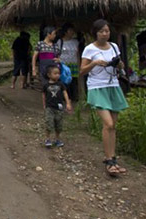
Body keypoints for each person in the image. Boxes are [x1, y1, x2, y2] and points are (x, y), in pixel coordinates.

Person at [80, 19, 129, 177]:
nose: (104, 34)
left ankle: (112, 159)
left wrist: (118, 64)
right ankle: (109, 161)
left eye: (107, 31)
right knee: (107, 124)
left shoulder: (114, 46)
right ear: (95, 33)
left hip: (113, 86)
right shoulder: (89, 49)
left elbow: (121, 66)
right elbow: (82, 71)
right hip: (97, 87)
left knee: (113, 125)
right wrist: (94, 63)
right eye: (101, 31)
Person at [42, 63, 72, 148]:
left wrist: (68, 103)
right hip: (49, 107)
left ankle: (57, 139)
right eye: (55, 73)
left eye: (58, 73)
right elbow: (43, 95)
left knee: (59, 124)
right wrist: (44, 104)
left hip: (59, 107)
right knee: (49, 122)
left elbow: (65, 93)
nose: (57, 75)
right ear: (49, 75)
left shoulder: (61, 84)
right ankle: (47, 139)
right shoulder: (46, 85)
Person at [59, 23, 81, 101]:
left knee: (73, 81)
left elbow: (77, 54)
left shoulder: (75, 42)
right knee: (64, 81)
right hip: (64, 65)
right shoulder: (59, 42)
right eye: (70, 30)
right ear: (65, 32)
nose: (72, 32)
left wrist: (79, 65)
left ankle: (74, 97)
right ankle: (65, 98)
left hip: (73, 65)